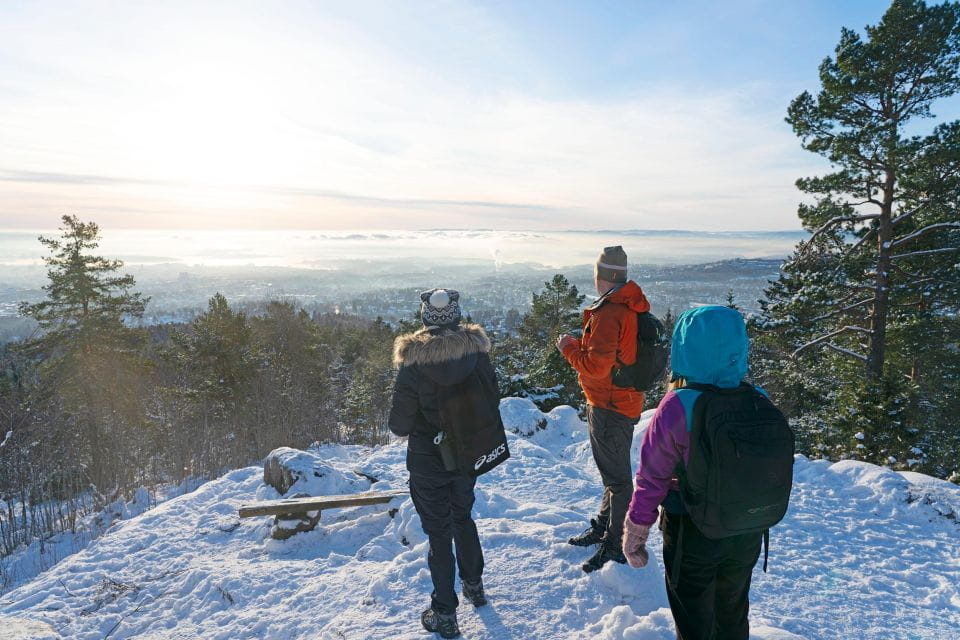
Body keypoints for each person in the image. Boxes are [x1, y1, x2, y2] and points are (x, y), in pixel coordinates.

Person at [621, 305, 765, 640]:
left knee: (693, 619)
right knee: (732, 613)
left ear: (684, 348)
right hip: (746, 531)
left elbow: (652, 478)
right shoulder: (758, 398)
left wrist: (636, 532)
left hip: (692, 529)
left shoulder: (678, 405)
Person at [388, 288, 495, 640]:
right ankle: (474, 585)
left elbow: (399, 425)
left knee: (438, 532)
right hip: (466, 453)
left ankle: (444, 613)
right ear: (455, 316)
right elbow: (492, 400)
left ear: (424, 319)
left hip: (427, 460)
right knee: (462, 516)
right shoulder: (477, 355)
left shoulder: (414, 364)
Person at [556, 245, 652, 573]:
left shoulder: (611, 312)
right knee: (613, 476)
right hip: (617, 401)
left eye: (597, 274)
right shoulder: (626, 305)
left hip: (610, 405)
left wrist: (568, 347)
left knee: (618, 479)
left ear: (604, 276)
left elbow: (596, 367)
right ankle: (604, 527)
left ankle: (615, 544)